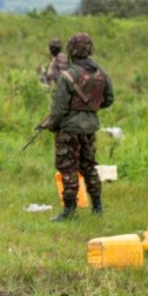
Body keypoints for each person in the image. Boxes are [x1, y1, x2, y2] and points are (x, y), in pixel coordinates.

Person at [41, 32, 114, 221]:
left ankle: (69, 210)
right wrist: (90, 109)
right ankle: (97, 207)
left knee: (68, 168)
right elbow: (108, 100)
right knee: (89, 166)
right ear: (90, 49)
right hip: (90, 129)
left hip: (69, 130)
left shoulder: (67, 76)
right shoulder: (101, 74)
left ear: (71, 50)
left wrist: (52, 126)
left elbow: (58, 109)